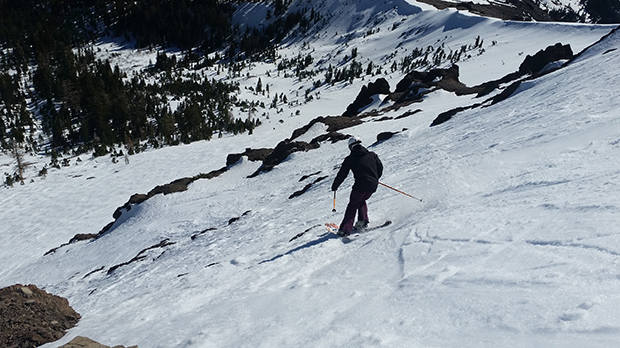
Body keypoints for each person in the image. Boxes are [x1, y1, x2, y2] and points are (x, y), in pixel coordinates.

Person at [331, 136, 383, 237]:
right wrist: (375, 178)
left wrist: (335, 185)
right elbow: (380, 167)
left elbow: (342, 174)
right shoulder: (372, 155)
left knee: (353, 205)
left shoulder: (350, 159)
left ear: (351, 147)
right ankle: (362, 221)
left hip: (360, 186)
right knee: (360, 201)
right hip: (372, 185)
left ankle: (345, 229)